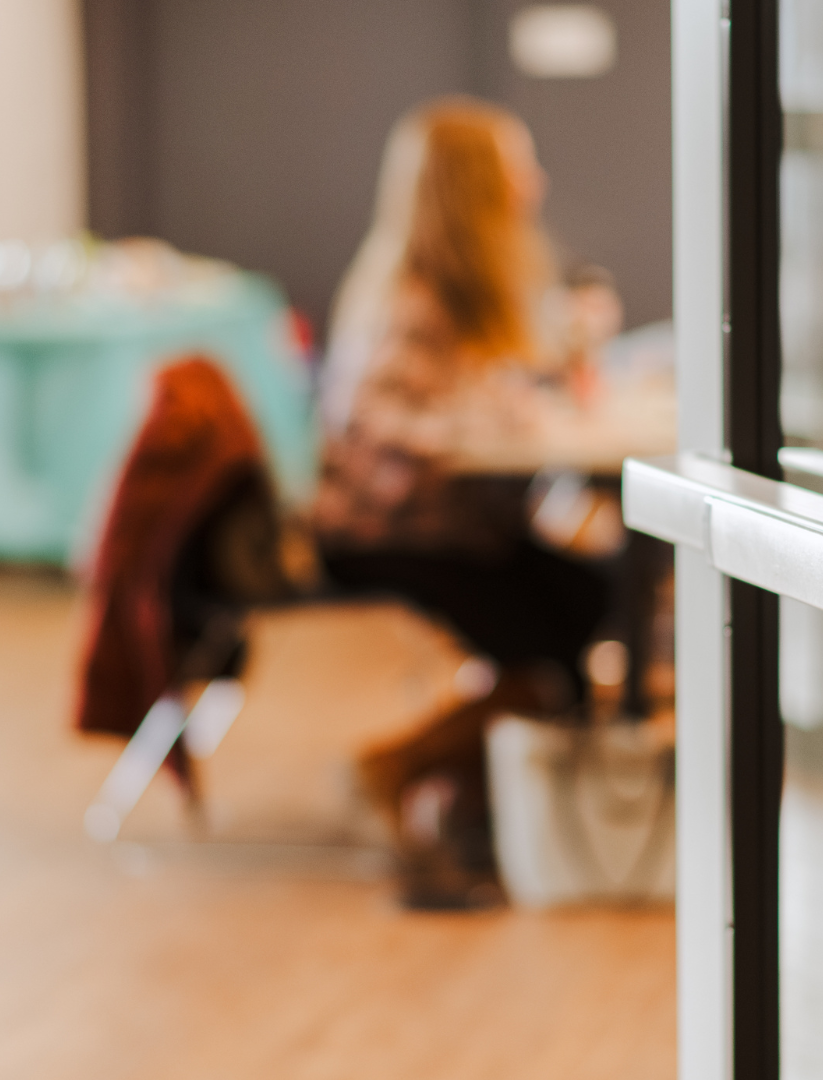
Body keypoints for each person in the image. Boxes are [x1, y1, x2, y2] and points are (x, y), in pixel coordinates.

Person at [313, 96, 624, 908]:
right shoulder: (416, 300)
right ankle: (404, 772)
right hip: (389, 532)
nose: (536, 182)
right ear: (478, 186)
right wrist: (506, 413)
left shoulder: (439, 287)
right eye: (519, 166)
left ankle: (475, 796)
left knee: (584, 598)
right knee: (563, 625)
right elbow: (391, 424)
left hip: (442, 523)